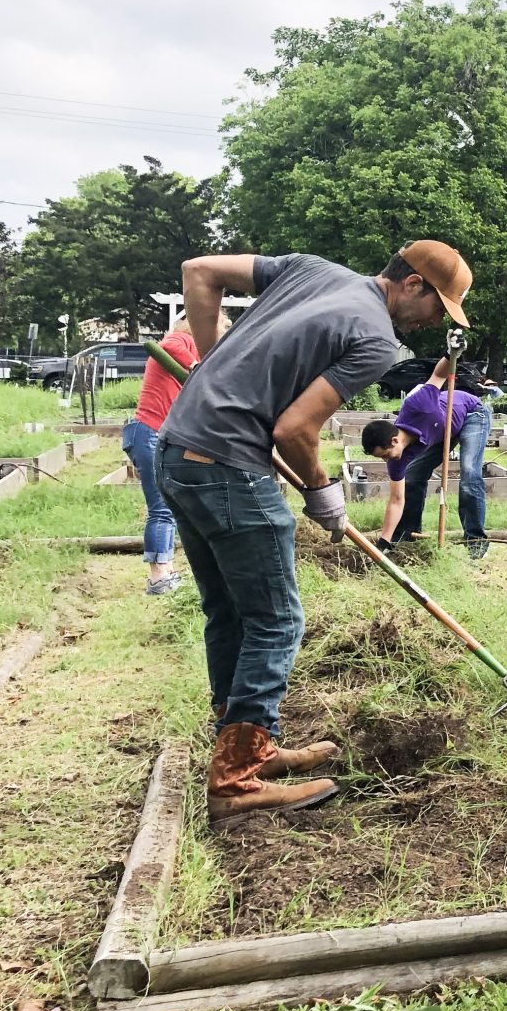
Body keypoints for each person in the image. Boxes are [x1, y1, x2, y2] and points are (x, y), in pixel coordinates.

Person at [159, 242, 469, 825]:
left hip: (179, 453)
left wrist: (212, 363)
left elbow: (198, 271)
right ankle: (235, 781)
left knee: (229, 612)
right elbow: (294, 428)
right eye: (438, 308)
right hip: (228, 466)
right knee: (277, 622)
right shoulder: (376, 338)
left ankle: (245, 744)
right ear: (412, 285)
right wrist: (322, 490)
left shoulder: (313, 270)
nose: (434, 324)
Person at [123, 316, 218, 594]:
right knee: (161, 507)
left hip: (155, 434)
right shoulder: (181, 339)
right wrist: (195, 367)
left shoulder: (191, 350)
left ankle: (167, 569)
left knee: (172, 505)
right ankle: (158, 578)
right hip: (149, 433)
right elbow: (167, 344)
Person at [361, 364, 494, 557]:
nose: (385, 460)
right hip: (440, 433)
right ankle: (406, 535)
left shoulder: (416, 404)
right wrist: (384, 541)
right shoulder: (396, 458)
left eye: (384, 455)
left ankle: (475, 541)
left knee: (469, 473)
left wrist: (450, 353)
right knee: (413, 477)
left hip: (471, 414)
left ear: (394, 441)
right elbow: (396, 500)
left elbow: (439, 374)